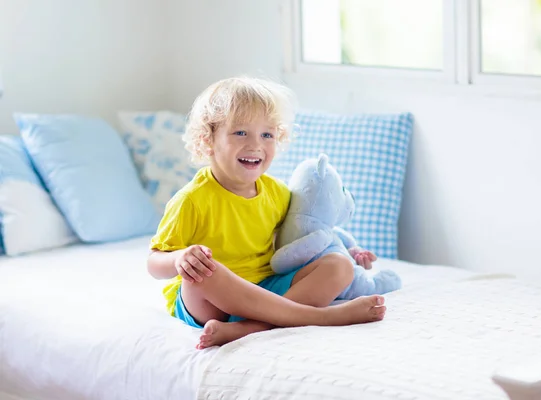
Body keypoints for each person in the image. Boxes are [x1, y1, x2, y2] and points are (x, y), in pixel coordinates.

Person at [147, 76, 385, 349]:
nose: (255, 144)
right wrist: (180, 259)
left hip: (265, 287)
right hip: (211, 303)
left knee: (339, 265)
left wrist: (349, 251)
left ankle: (250, 328)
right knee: (205, 274)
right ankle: (321, 316)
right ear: (208, 139)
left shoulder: (276, 192)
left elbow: (304, 234)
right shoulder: (192, 200)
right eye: (240, 132)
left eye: (267, 134)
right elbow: (154, 263)